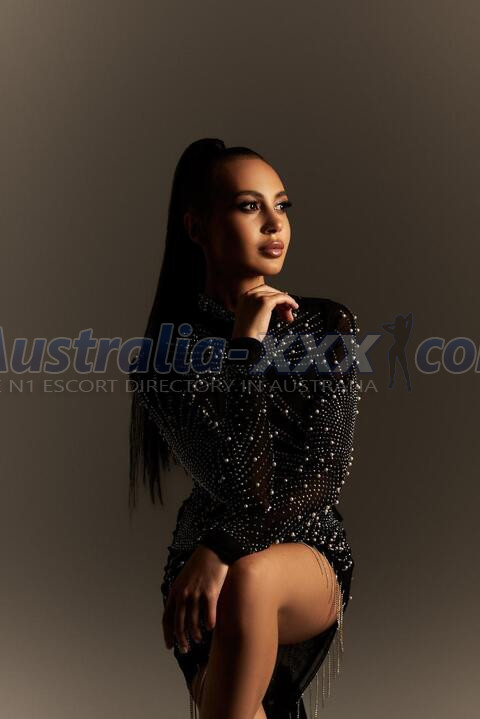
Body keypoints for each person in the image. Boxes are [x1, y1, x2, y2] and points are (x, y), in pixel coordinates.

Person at [128, 138, 361, 719]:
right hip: (203, 575)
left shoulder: (325, 325)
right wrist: (245, 348)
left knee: (251, 577)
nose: (275, 224)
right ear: (197, 228)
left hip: (303, 548)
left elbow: (324, 474)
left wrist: (222, 548)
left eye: (281, 206)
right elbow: (241, 482)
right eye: (249, 206)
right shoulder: (163, 360)